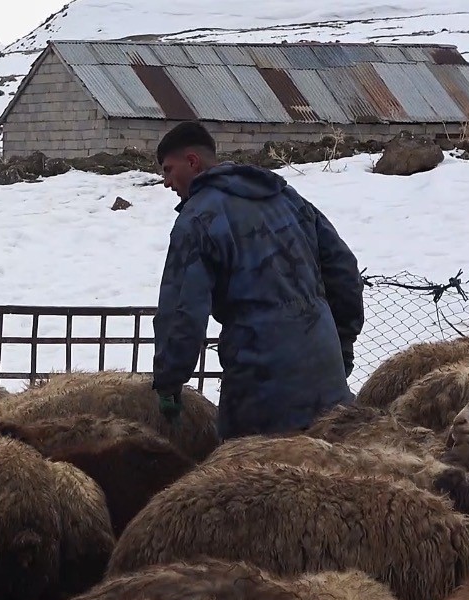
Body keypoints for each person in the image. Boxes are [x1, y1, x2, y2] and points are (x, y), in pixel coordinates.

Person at [150, 121, 365, 440]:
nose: (167, 181)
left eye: (169, 170)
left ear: (192, 161)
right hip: (326, 374)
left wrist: (168, 383)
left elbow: (182, 310)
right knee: (327, 477)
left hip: (261, 387)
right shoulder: (286, 198)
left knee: (253, 479)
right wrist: (341, 344)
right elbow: (343, 271)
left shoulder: (197, 219)